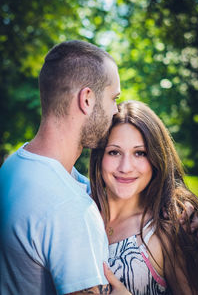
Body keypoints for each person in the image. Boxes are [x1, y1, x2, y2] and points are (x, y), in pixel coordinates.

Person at [0, 40, 121, 295]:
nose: (116, 110)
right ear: (87, 99)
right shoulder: (71, 210)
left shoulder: (14, 165)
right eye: (113, 98)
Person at [90, 100, 198, 294]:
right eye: (114, 152)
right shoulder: (78, 208)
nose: (125, 167)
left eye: (140, 153)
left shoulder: (168, 229)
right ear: (100, 157)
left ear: (156, 159)